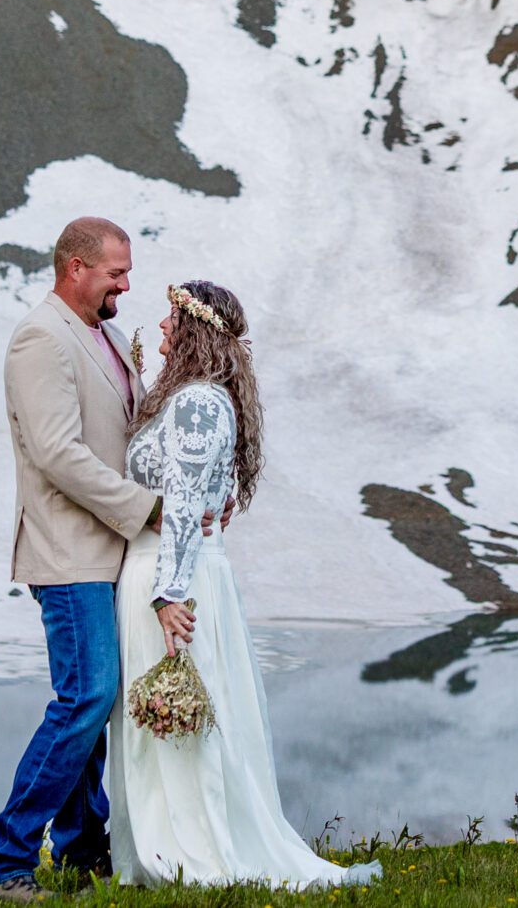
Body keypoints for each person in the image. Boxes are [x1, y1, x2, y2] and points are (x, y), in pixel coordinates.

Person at [106, 279, 381, 889]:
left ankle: (189, 854)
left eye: (173, 319)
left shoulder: (199, 403)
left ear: (195, 330)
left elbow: (180, 503)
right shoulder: (199, 399)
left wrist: (168, 593)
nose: (164, 327)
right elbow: (197, 485)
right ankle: (165, 846)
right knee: (170, 715)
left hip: (169, 575)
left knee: (177, 714)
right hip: (174, 568)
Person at [0, 217, 178, 902]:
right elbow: (59, 453)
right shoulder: (40, 338)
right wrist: (146, 509)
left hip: (107, 551)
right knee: (85, 696)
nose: (126, 282)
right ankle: (2, 862)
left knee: (99, 697)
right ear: (75, 268)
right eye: (116, 271)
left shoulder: (108, 335)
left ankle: (85, 853)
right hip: (68, 551)